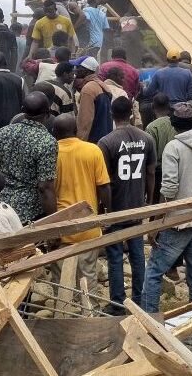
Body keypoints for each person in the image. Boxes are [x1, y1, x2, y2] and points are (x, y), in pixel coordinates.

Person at [142, 101, 192, 313]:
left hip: (177, 220)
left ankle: (149, 318)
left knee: (154, 271)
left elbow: (169, 189)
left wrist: (156, 223)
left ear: (173, 124)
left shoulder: (173, 148)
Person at [98, 97, 156, 313]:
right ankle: (139, 300)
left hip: (116, 208)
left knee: (115, 257)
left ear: (112, 115)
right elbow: (150, 172)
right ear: (132, 113)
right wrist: (149, 201)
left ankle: (117, 303)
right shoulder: (146, 138)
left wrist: (105, 210)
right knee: (137, 254)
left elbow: (103, 181)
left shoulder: (106, 142)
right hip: (136, 206)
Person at [53, 113, 111, 297]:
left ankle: (64, 319)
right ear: (76, 130)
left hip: (60, 228)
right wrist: (107, 213)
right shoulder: (92, 150)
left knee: (62, 283)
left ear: (54, 132)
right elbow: (104, 186)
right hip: (88, 225)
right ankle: (90, 315)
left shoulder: (50, 152)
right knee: (88, 277)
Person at [0, 92, 58, 223]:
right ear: (48, 114)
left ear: (22, 111)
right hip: (30, 212)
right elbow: (45, 187)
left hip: (1, 208)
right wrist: (53, 224)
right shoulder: (47, 141)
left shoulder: (2, 132)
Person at [75, 57, 113, 143]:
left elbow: (85, 122)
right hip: (105, 139)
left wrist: (80, 143)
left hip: (93, 142)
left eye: (78, 68)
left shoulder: (88, 89)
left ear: (86, 71)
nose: (76, 70)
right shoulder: (101, 85)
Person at [146, 93, 175, 204]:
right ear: (169, 107)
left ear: (153, 107)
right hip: (173, 169)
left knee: (155, 204)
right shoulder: (175, 123)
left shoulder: (152, 127)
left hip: (157, 172)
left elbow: (150, 154)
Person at [0, 7, 18, 73]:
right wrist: (12, 71)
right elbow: (14, 54)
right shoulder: (10, 33)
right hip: (5, 68)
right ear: (2, 17)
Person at [137, 54, 159, 125]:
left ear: (142, 63)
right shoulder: (159, 71)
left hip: (144, 105)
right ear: (153, 61)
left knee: (146, 128)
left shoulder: (138, 72)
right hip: (158, 104)